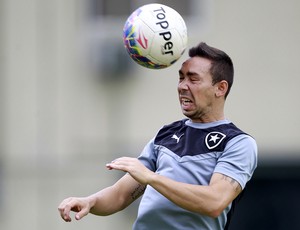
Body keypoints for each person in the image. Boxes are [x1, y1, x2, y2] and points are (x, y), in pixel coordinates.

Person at [58, 42, 257, 230]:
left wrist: (151, 178)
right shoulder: (166, 134)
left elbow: (214, 202)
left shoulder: (237, 143)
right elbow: (120, 196)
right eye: (181, 78)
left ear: (220, 88)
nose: (182, 86)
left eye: (193, 78)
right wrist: (89, 202)